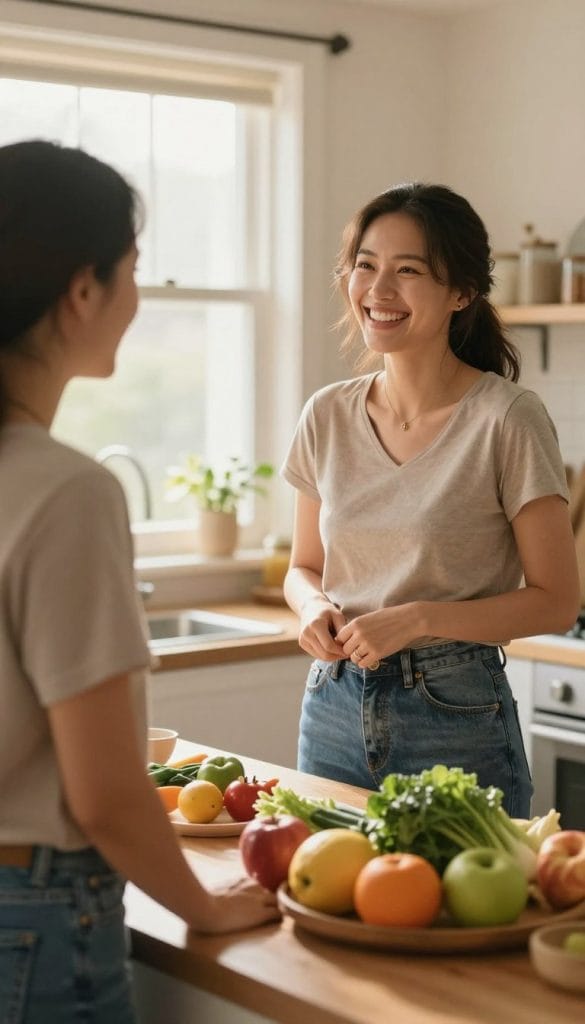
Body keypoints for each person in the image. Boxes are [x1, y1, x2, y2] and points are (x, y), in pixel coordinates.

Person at [0, 140, 278, 1024]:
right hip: (35, 916)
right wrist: (209, 906)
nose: (136, 300)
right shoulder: (67, 491)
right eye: (133, 272)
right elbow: (107, 793)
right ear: (83, 290)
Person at [282, 182, 580, 817]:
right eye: (366, 266)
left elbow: (558, 600)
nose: (379, 291)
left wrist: (417, 619)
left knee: (465, 912)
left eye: (408, 271)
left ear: (462, 292)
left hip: (455, 711)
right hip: (332, 702)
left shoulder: (507, 419)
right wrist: (310, 607)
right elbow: (302, 566)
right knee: (321, 903)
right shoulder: (326, 414)